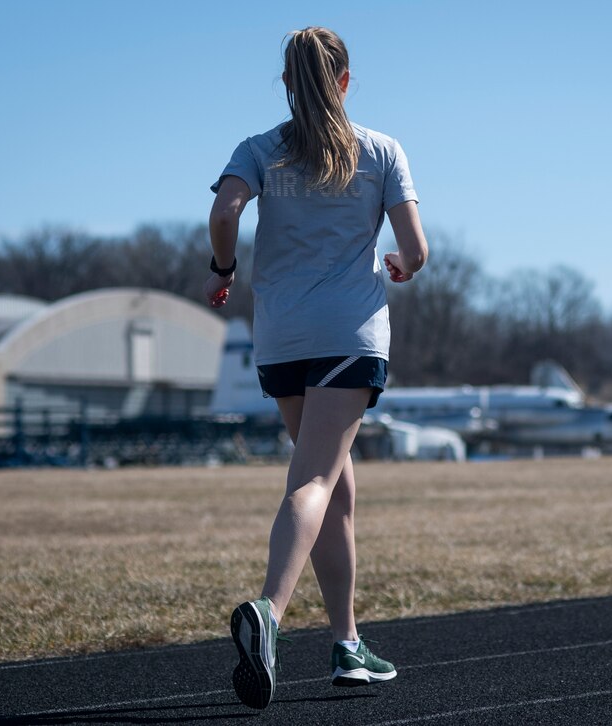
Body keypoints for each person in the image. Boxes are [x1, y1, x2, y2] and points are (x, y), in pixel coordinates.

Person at [203, 26, 428, 710]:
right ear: (346, 81)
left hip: (281, 338)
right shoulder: (381, 150)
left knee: (336, 487)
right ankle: (269, 613)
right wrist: (400, 265)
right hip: (347, 335)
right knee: (314, 482)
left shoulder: (259, 149)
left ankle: (347, 645)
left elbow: (225, 212)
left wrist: (223, 269)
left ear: (287, 85)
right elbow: (416, 249)